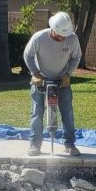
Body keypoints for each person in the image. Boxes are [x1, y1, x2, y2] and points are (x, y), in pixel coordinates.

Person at [23, 11, 82, 156]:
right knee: (37, 112)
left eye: (65, 35)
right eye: (59, 34)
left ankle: (69, 144)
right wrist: (35, 73)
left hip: (62, 81)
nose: (62, 37)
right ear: (52, 29)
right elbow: (28, 55)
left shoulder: (72, 39)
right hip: (40, 79)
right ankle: (35, 144)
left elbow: (76, 57)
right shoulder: (39, 37)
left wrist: (68, 74)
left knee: (67, 112)